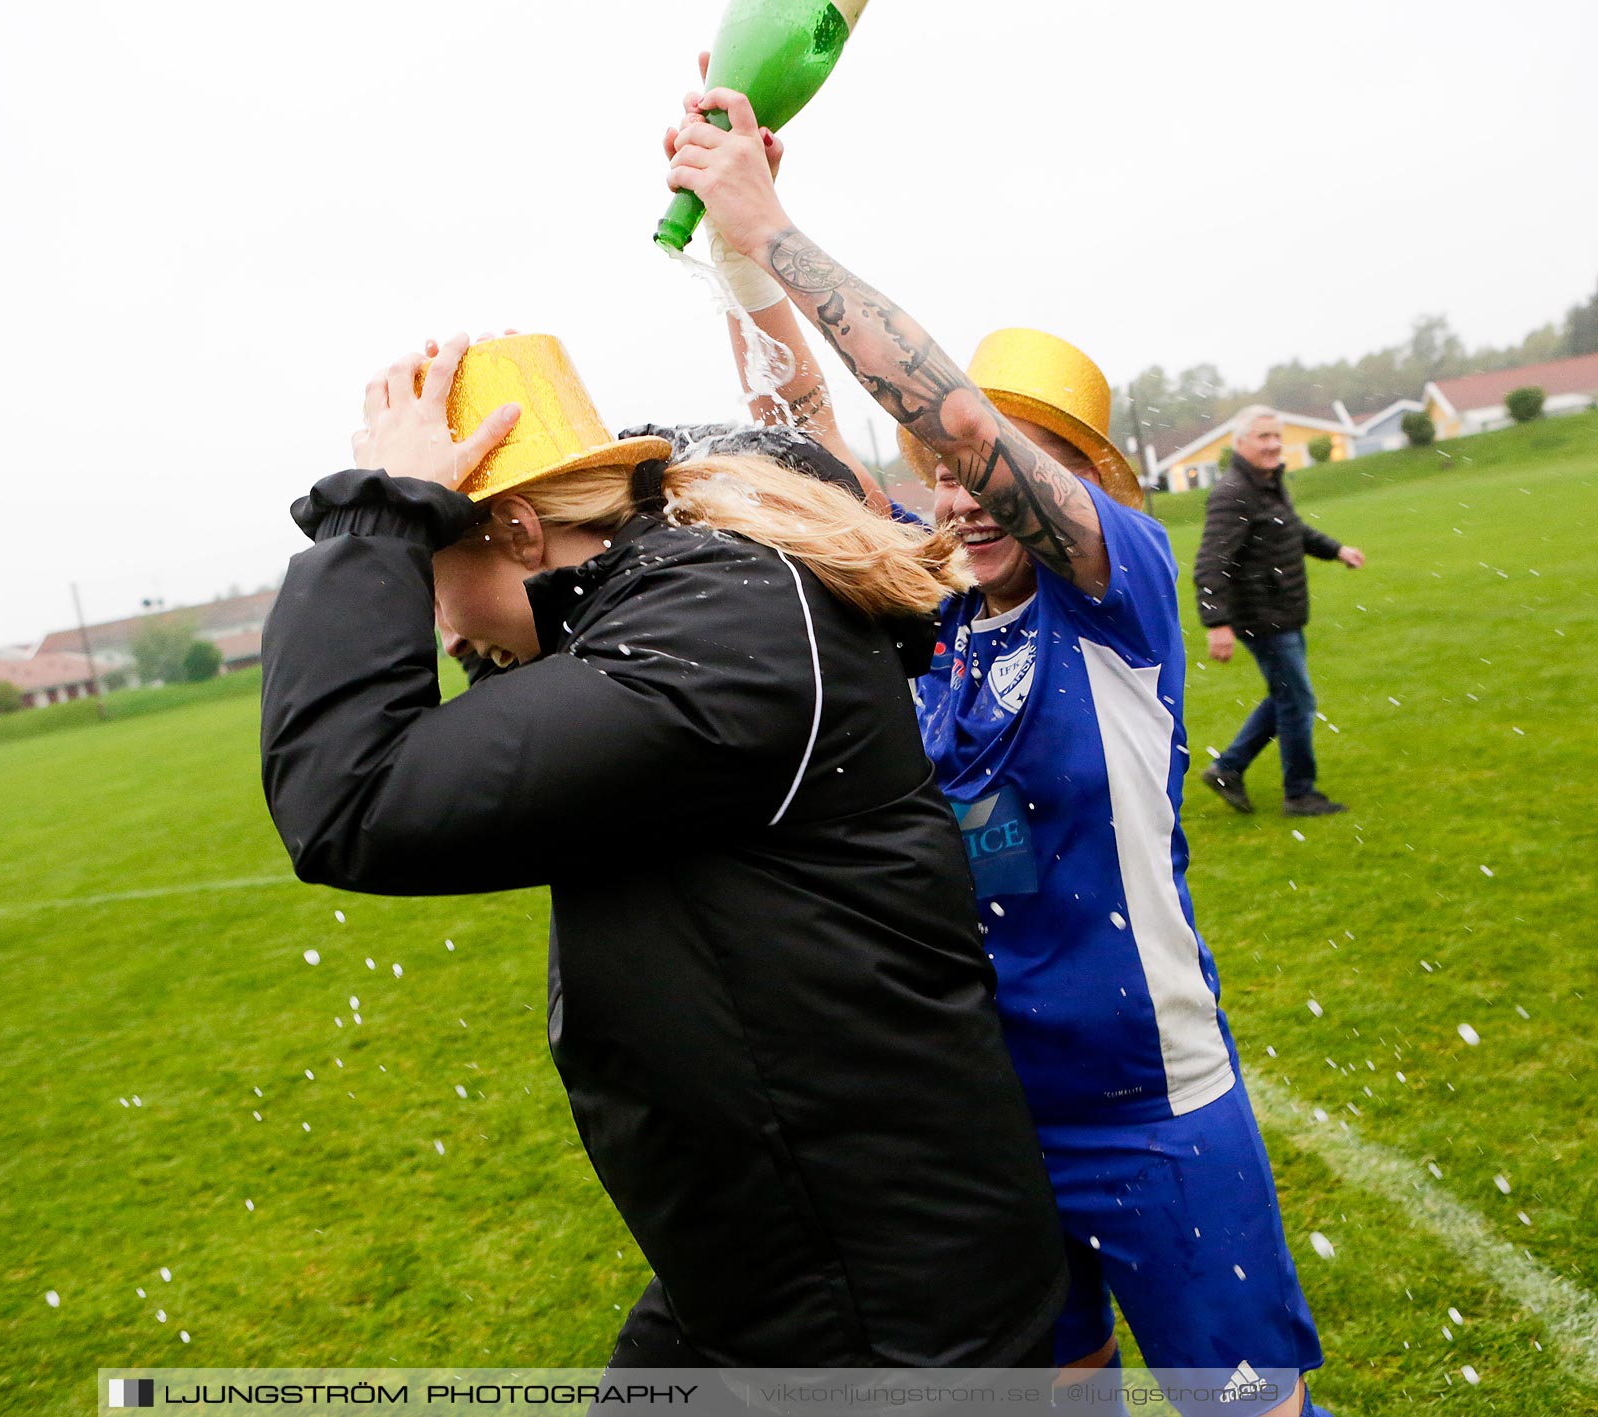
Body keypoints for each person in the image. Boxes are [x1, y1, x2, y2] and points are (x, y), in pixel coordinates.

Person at [674, 89, 1332, 1415]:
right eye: (937, 465)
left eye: (990, 459)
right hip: (984, 1128)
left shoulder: (1120, 587)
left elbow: (967, 423)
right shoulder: (933, 611)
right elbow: (804, 440)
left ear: (1075, 476)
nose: (960, 485)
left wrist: (785, 231)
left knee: (1243, 1414)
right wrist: (734, 247)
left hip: (1155, 1108)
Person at [260, 332, 1068, 1368]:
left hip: (888, 1315)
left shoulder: (717, 635)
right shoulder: (674, 605)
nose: (440, 634)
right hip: (785, 1265)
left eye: (427, 568)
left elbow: (349, 796)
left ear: (513, 526)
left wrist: (373, 515)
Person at [1192, 409, 1365, 817]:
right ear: (1241, 444)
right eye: (1262, 437)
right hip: (1261, 614)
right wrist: (1217, 622)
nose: (1272, 444)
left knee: (1287, 696)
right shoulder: (1233, 492)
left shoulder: (1266, 485)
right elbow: (1211, 562)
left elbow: (1292, 530)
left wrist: (1336, 550)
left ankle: (1228, 768)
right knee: (1299, 701)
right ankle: (1300, 794)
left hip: (1282, 610)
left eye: (1276, 436)